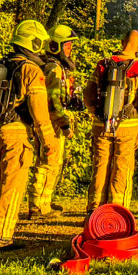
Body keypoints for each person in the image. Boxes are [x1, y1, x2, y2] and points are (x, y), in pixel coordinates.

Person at [0, 19, 58, 251]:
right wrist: (49, 142)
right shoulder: (31, 70)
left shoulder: (1, 64)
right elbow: (40, 113)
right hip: (16, 134)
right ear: (33, 42)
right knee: (12, 186)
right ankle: (0, 237)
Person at [81, 30, 138, 210]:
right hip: (128, 127)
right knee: (121, 167)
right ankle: (117, 211)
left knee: (100, 166)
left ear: (121, 42)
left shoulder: (103, 64)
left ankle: (94, 209)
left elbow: (88, 94)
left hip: (102, 125)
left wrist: (95, 112)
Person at [28, 23, 84, 219]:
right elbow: (53, 100)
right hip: (51, 123)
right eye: (67, 46)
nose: (69, 50)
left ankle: (44, 202)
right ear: (55, 46)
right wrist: (64, 123)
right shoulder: (53, 68)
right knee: (47, 161)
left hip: (53, 122)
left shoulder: (57, 67)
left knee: (53, 162)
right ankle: (37, 207)